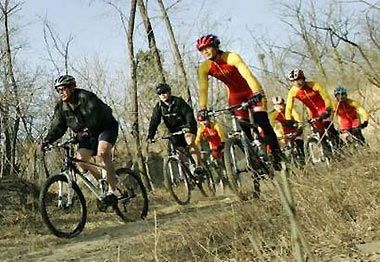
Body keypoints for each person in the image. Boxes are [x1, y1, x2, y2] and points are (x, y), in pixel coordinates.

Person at [196, 34, 282, 170]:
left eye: (207, 48)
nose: (205, 52)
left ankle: (278, 157)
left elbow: (247, 75)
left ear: (216, 46)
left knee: (263, 123)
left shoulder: (231, 57)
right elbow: (203, 89)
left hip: (252, 91)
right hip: (235, 96)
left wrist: (257, 93)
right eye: (201, 50)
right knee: (244, 128)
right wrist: (202, 107)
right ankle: (254, 156)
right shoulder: (204, 67)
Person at [41, 75, 119, 205]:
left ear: (72, 87)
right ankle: (103, 183)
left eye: (63, 89)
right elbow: (57, 127)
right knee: (80, 160)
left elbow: (94, 118)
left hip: (105, 127)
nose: (61, 92)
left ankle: (113, 191)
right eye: (58, 90)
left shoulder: (86, 98)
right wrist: (46, 141)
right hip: (86, 134)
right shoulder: (62, 107)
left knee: (103, 152)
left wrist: (84, 132)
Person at [147, 83, 204, 175]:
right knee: (179, 152)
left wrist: (188, 126)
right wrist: (150, 136)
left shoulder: (178, 102)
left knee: (189, 141)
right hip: (174, 131)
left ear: (169, 92)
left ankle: (199, 165)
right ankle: (187, 176)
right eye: (160, 94)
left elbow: (188, 114)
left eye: (164, 92)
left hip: (188, 127)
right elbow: (154, 122)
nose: (163, 95)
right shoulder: (159, 107)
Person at [285, 68, 342, 154]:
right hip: (312, 113)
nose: (297, 83)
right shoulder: (293, 92)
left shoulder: (314, 85)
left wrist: (328, 109)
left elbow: (326, 97)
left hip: (324, 109)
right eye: (293, 81)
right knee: (320, 133)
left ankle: (340, 148)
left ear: (303, 78)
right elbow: (289, 107)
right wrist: (288, 119)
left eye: (298, 80)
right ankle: (329, 155)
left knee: (329, 127)